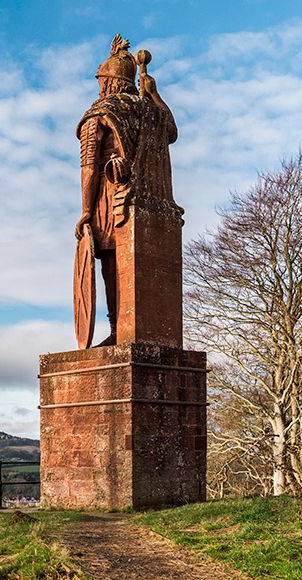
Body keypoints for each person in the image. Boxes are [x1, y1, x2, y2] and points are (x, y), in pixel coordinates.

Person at [74, 34, 180, 346]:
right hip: (150, 202)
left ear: (109, 82)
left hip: (112, 196)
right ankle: (125, 331)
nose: (99, 87)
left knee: (109, 261)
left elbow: (90, 165)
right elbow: (171, 132)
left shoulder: (100, 113)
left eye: (101, 81)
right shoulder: (151, 111)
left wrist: (84, 211)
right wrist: (155, 96)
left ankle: (118, 330)